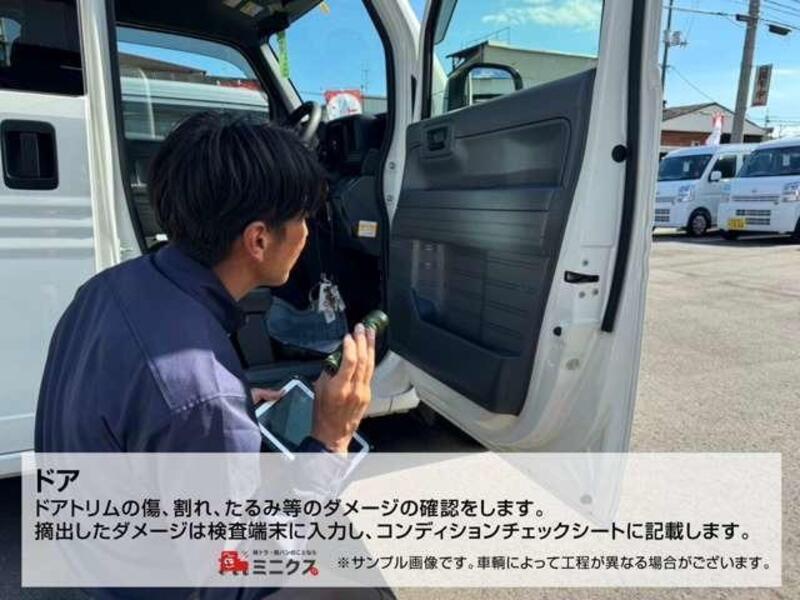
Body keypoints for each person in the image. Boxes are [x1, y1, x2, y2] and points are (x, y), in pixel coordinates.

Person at [34, 111, 392, 599]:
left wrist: (230, 403)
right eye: (302, 219)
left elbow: (140, 402)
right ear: (259, 240)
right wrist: (331, 440)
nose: (308, 234)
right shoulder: (203, 397)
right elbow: (232, 578)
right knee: (359, 583)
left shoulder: (105, 288)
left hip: (94, 557)